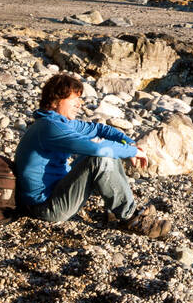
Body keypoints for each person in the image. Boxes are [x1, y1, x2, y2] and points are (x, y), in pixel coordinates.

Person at [14, 73, 172, 238]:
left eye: (80, 99)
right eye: (74, 99)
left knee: (107, 153)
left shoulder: (60, 122)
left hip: (55, 191)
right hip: (44, 207)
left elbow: (101, 129)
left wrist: (129, 143)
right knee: (100, 158)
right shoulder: (50, 128)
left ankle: (118, 209)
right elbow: (98, 150)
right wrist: (132, 152)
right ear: (55, 101)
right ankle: (131, 218)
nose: (79, 104)